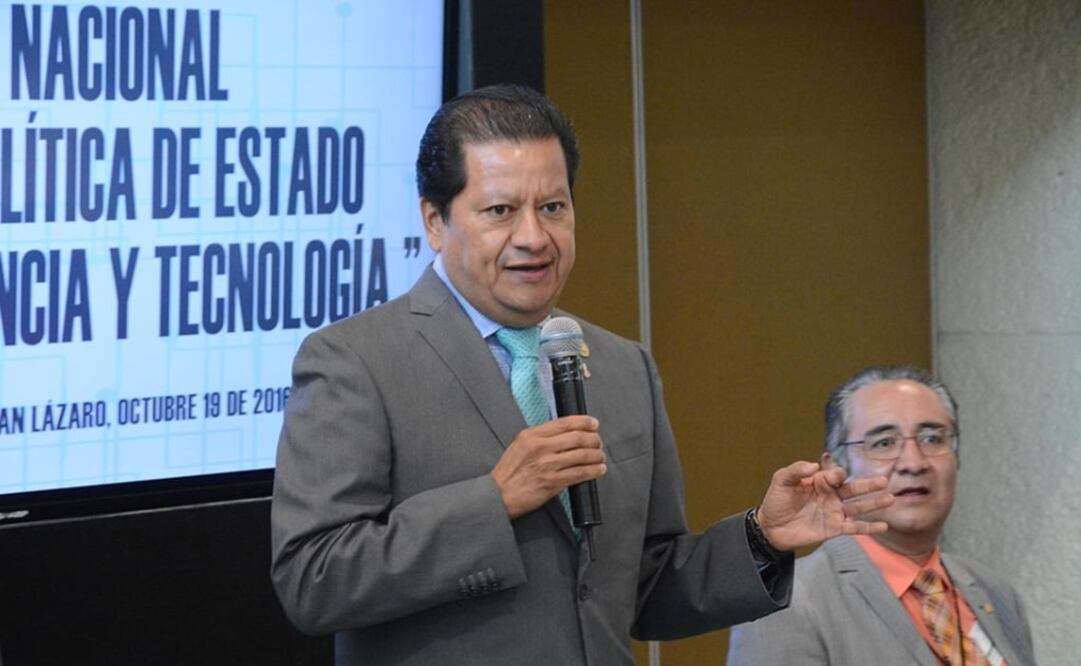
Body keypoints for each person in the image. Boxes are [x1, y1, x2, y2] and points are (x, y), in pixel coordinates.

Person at [270, 84, 892, 665]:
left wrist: (762, 537)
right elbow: (313, 580)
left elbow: (642, 584)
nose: (534, 237)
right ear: (435, 221)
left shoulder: (622, 365)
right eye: (500, 211)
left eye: (552, 207)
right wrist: (495, 501)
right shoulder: (355, 360)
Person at [727, 365, 1036, 666]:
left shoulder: (997, 594)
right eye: (884, 443)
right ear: (835, 468)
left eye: (932, 439)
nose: (913, 463)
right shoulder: (788, 605)